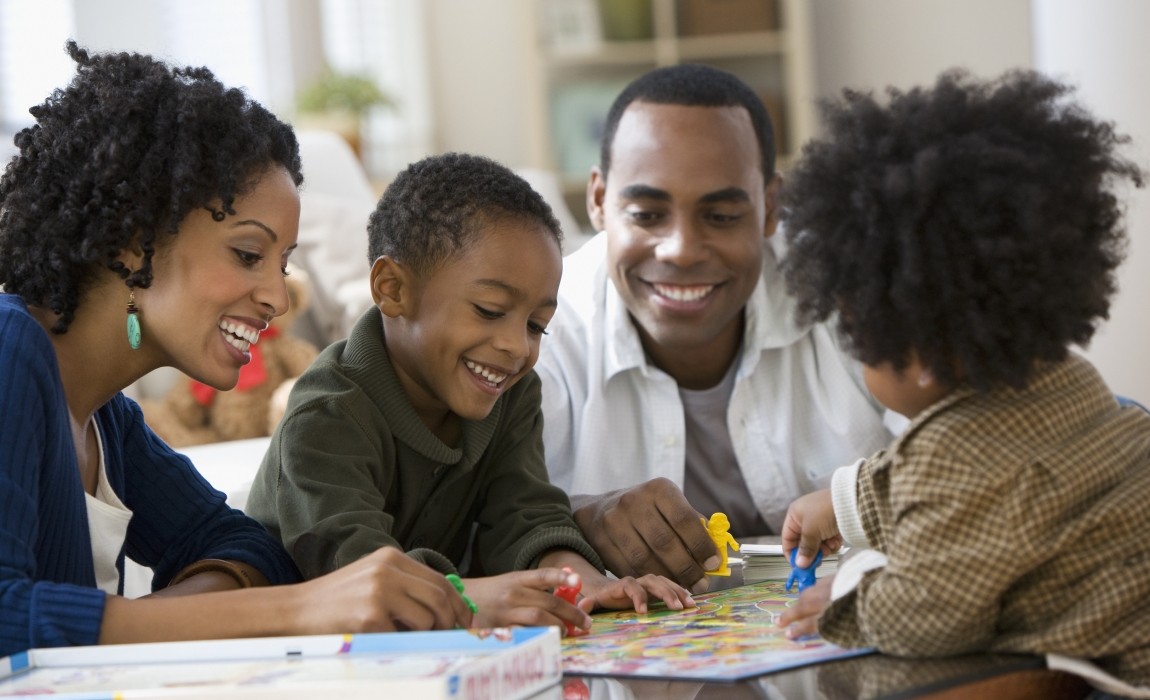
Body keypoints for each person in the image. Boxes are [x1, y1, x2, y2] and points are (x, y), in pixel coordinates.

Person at [0, 42, 479, 658]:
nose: (278, 299)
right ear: (129, 242)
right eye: (248, 255)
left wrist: (164, 620)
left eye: (283, 265)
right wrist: (300, 608)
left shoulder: (105, 418)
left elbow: (247, 547)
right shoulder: (12, 352)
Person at [776, 70, 1150, 696]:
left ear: (918, 357)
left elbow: (929, 615)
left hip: (1104, 674)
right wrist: (844, 502)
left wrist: (849, 597)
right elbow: (949, 478)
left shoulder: (952, 458)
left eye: (861, 341)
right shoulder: (1066, 378)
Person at [245, 152, 694, 635]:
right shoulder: (328, 413)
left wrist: (579, 583)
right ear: (393, 289)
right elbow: (354, 569)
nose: (516, 347)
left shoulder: (510, 394)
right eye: (489, 309)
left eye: (537, 325)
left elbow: (525, 514)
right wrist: (474, 598)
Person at [535, 63, 894, 592]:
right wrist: (579, 519)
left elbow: (983, 445)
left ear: (770, 206)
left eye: (721, 216)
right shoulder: (541, 328)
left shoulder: (853, 290)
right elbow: (477, 522)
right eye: (646, 213)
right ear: (598, 200)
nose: (680, 250)